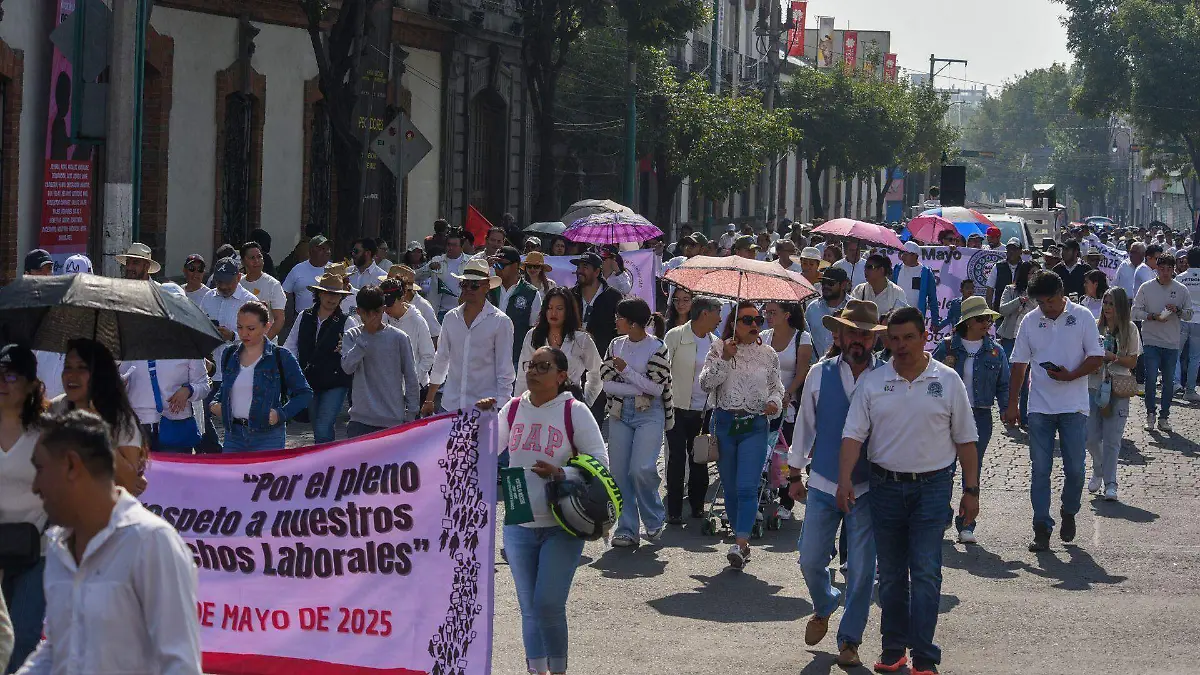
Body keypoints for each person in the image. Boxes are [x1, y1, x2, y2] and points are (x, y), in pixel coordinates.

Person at [838, 307, 980, 675]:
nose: (900, 346)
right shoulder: (874, 382)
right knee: (891, 574)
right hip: (885, 487)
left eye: (908, 338)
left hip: (932, 489)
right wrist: (844, 479)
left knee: (927, 571)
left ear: (924, 337)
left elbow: (966, 440)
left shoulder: (948, 381)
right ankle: (892, 650)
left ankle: (924, 658)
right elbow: (853, 435)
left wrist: (971, 491)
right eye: (894, 339)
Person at [22, 410, 202, 674]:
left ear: (72, 466)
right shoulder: (58, 546)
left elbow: (179, 664)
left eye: (40, 469)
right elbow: (57, 651)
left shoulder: (151, 543)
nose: (35, 486)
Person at [485, 346, 606, 675]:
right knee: (529, 609)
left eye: (543, 366)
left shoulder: (574, 411)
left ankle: (558, 670)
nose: (534, 372)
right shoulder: (511, 410)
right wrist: (479, 419)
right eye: (531, 365)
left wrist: (561, 473)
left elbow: (600, 464)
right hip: (519, 519)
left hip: (562, 523)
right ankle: (537, 670)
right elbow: (480, 452)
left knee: (548, 605)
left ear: (562, 376)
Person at [788, 301, 884, 668]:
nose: (858, 339)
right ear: (839, 335)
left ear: (873, 339)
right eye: (852, 332)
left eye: (865, 333)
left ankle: (850, 638)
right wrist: (794, 473)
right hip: (824, 482)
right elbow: (805, 427)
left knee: (862, 570)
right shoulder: (819, 373)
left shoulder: (885, 377)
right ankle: (825, 602)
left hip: (869, 487)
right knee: (810, 558)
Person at [1004, 270, 1104, 552]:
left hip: (1074, 406)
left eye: (1050, 301)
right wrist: (1013, 403)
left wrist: (1071, 375)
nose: (1046, 308)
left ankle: (1069, 511)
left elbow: (1096, 356)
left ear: (1062, 294)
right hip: (1039, 408)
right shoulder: (1029, 321)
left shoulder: (1082, 316)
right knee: (1040, 470)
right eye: (1041, 303)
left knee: (1075, 468)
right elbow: (1019, 364)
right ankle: (1041, 527)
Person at [700, 301, 784, 568]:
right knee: (732, 487)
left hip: (755, 424)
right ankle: (740, 537)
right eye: (747, 320)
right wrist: (724, 358)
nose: (754, 325)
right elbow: (705, 384)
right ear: (733, 323)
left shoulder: (768, 354)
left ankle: (741, 543)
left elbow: (777, 388)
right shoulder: (718, 347)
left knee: (748, 486)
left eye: (758, 320)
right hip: (725, 423)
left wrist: (775, 403)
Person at [931, 297, 1009, 544]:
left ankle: (966, 524)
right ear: (967, 322)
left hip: (980, 416)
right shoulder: (947, 348)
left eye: (988, 318)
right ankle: (942, 517)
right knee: (944, 468)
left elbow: (1004, 385)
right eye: (981, 319)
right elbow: (928, 375)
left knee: (971, 470)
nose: (986, 323)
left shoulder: (996, 350)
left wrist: (1008, 409)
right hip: (946, 415)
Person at [600, 298, 673, 548]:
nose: (615, 321)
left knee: (641, 468)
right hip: (620, 412)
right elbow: (606, 384)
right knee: (619, 473)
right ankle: (627, 527)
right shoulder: (614, 344)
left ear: (632, 323)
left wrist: (627, 372)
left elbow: (655, 389)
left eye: (620, 317)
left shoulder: (658, 347)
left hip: (650, 413)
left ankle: (653, 518)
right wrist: (637, 385)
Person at [0, 345, 47, 672]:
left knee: (24, 636)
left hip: (37, 552)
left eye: (11, 374)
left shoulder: (47, 433)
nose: (2, 381)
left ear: (31, 384)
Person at [49, 339, 147, 496]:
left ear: (99, 374)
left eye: (82, 368)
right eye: (67, 367)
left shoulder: (121, 419)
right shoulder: (55, 408)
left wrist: (100, 434)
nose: (71, 375)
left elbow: (130, 483)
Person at [210, 301, 312, 451]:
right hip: (234, 435)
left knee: (265, 475)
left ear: (266, 327)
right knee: (232, 475)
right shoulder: (229, 354)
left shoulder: (281, 356)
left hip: (268, 437)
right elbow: (226, 387)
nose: (244, 333)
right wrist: (215, 404)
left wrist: (280, 414)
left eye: (251, 328)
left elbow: (304, 393)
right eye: (239, 327)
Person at [122, 288, 211, 454]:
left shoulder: (189, 345)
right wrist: (120, 383)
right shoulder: (134, 342)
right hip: (138, 427)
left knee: (175, 479)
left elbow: (204, 385)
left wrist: (189, 390)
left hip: (175, 429)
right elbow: (122, 379)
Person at [424, 259, 516, 416]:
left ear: (486, 287)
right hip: (450, 406)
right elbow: (441, 359)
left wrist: (502, 411)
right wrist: (429, 399)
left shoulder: (501, 322)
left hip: (485, 409)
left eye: (474, 285)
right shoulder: (450, 318)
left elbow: (505, 371)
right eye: (464, 284)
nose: (468, 289)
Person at [663, 295, 722, 524]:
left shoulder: (716, 342)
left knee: (700, 459)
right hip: (677, 408)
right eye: (717, 313)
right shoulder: (675, 336)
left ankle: (698, 506)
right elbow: (664, 371)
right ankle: (674, 510)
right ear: (704, 314)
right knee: (677, 459)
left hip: (704, 410)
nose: (720, 319)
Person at [283, 272, 353, 444]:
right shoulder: (303, 316)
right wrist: (286, 373)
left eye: (336, 294)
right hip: (309, 381)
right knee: (317, 428)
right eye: (329, 293)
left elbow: (355, 354)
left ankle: (328, 466)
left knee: (323, 426)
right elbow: (290, 346)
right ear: (319, 293)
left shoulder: (348, 322)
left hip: (335, 382)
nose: (332, 298)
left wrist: (344, 349)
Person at [341, 287, 420, 437]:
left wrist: (411, 414)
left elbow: (411, 377)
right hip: (360, 421)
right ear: (358, 312)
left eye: (376, 312)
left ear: (383, 309)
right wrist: (364, 338)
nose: (372, 318)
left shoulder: (399, 338)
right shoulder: (352, 335)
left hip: (392, 421)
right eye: (366, 313)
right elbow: (347, 368)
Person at [1086, 288, 1141, 502]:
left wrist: (1113, 357)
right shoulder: (1094, 326)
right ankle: (1099, 468)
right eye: (1105, 303)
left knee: (1112, 438)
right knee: (1090, 437)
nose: (1107, 308)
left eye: (1111, 304)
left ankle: (1111, 483)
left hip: (1118, 386)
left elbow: (1133, 362)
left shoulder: (1130, 329)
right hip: (1093, 385)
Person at [197, 257, 257, 451]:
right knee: (202, 413)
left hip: (239, 370)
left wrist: (233, 335)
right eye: (219, 281)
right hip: (211, 369)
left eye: (227, 282)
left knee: (236, 418)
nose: (222, 286)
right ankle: (216, 451)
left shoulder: (250, 301)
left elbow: (258, 337)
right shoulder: (208, 298)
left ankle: (235, 454)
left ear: (239, 277)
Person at [761, 300, 813, 520]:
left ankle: (786, 499)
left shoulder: (803, 337)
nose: (768, 316)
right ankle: (763, 492)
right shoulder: (763, 337)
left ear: (787, 315)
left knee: (784, 453)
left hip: (789, 405)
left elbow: (802, 371)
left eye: (773, 312)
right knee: (764, 452)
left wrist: (788, 393)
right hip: (764, 404)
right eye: (766, 312)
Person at [1132, 252, 1193, 431]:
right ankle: (1150, 413)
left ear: (1173, 270)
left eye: (1169, 269)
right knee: (1151, 379)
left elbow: (1189, 314)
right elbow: (1135, 312)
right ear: (1157, 269)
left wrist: (1178, 311)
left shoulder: (1181, 289)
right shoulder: (1146, 287)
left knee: (1168, 382)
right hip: (1151, 339)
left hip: (1171, 342)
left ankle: (1164, 416)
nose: (1165, 272)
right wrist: (1151, 316)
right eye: (1162, 268)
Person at [515, 287, 603, 407]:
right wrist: (519, 406)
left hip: (570, 406)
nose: (553, 313)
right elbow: (522, 374)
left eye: (559, 308)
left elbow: (597, 372)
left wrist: (586, 401)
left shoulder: (581, 339)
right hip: (537, 405)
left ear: (568, 311)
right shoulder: (533, 335)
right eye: (549, 308)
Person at [371, 276, 436, 393]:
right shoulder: (382, 318)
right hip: (387, 389)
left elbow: (428, 356)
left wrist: (411, 381)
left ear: (402, 299)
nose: (386, 309)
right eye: (383, 305)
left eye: (390, 304)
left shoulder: (418, 321)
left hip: (414, 389)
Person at [489, 246, 543, 369]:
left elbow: (534, 330)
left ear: (515, 266)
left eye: (501, 265)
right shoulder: (488, 288)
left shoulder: (531, 293)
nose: (497, 269)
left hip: (515, 359)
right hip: (487, 357)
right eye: (495, 264)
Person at [570, 252, 623, 363]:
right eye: (578, 267)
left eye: (585, 267)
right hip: (573, 359)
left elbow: (620, 331)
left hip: (602, 360)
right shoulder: (569, 295)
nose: (580, 271)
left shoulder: (613, 296)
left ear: (597, 272)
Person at [418, 231, 470, 323]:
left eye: (454, 245)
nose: (450, 248)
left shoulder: (470, 262)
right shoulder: (437, 260)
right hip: (440, 313)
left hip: (463, 312)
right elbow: (416, 275)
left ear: (461, 247)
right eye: (449, 245)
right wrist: (429, 268)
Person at [239, 241, 286, 340]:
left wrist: (264, 342)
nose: (256, 261)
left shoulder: (273, 285)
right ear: (243, 262)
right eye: (252, 258)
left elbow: (279, 319)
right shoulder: (238, 284)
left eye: (259, 257)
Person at [892, 241, 941, 330]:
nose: (903, 256)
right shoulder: (897, 269)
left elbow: (932, 298)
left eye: (906, 254)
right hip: (896, 316)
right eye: (902, 253)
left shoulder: (925, 272)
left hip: (915, 319)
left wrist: (935, 321)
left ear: (915, 256)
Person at [282, 234, 333, 317]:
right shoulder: (297, 269)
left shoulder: (335, 270)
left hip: (329, 320)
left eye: (328, 249)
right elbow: (284, 294)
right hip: (302, 319)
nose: (326, 252)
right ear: (311, 251)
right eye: (322, 249)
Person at [806, 267, 852, 359]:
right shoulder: (812, 308)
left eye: (830, 283)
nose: (826, 287)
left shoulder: (853, 308)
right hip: (816, 367)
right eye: (823, 283)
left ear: (843, 285)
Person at [1178, 247, 1200, 400]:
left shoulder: (1180, 278)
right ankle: (1190, 391)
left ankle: (1174, 383)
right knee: (1195, 357)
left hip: (1183, 319)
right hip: (1198, 322)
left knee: (1176, 354)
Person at [986, 239, 1024, 310]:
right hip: (1000, 311)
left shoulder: (1025, 267)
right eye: (1009, 249)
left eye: (1014, 249)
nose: (1011, 252)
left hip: (1020, 312)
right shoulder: (998, 267)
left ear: (1020, 251)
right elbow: (990, 289)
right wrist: (989, 310)